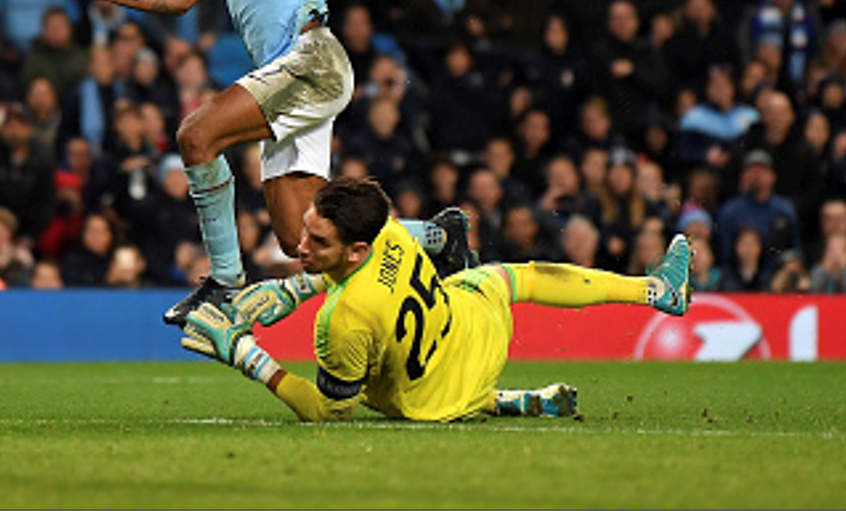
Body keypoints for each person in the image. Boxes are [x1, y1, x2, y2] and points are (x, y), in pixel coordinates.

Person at [63, 0, 507, 325]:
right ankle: (439, 235)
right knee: (302, 237)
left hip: (312, 58)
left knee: (196, 135)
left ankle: (224, 285)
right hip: (280, 75)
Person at [180, 176, 691, 422]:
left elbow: (329, 415)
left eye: (317, 242)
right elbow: (440, 236)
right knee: (517, 277)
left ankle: (489, 401)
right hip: (479, 333)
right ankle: (656, 290)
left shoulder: (340, 323)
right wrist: (448, 235)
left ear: (357, 248)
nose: (300, 246)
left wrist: (241, 353)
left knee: (373, 372)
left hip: (430, 404)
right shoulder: (392, 233)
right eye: (307, 232)